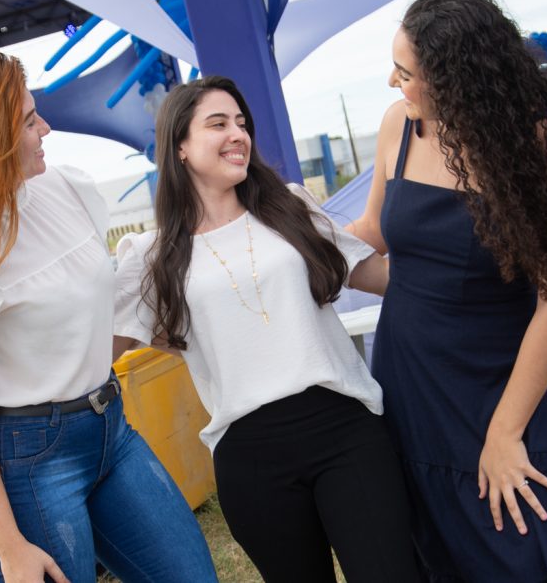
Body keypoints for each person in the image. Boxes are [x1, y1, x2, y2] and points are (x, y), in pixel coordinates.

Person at [348, 0, 547, 582]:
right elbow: (373, 236)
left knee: (538, 551)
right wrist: (293, 241)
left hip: (503, 389)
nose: (391, 83)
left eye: (404, 73)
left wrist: (505, 434)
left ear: (457, 77)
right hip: (412, 388)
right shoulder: (399, 124)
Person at [0, 52, 216, 583]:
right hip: (26, 464)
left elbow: (95, 318)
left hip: (111, 429)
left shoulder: (67, 188)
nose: (45, 128)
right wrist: (8, 547)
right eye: (27, 121)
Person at [114, 76, 420, 583]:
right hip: (250, 454)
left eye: (241, 123)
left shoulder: (290, 206)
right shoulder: (151, 256)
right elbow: (102, 345)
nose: (237, 133)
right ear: (181, 148)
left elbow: (378, 276)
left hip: (344, 429)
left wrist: (467, 255)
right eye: (218, 124)